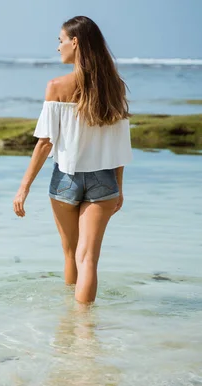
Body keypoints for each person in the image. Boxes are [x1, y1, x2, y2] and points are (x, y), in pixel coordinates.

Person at [13, 16, 133, 304]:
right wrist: (119, 187)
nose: (59, 47)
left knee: (70, 253)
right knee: (88, 258)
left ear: (74, 42)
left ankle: (68, 325)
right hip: (104, 180)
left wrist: (24, 187)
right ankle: (85, 329)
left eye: (61, 40)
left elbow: (44, 143)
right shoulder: (114, 87)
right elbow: (120, 144)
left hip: (66, 179)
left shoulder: (56, 86)